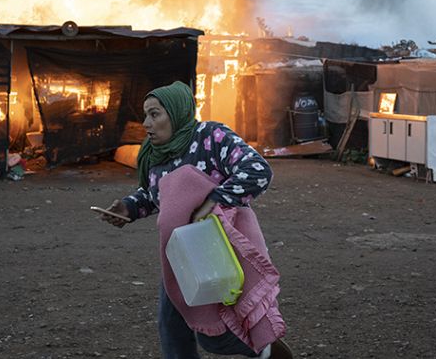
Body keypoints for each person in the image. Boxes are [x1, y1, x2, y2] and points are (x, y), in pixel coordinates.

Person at [98, 80, 292, 359]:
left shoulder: (209, 136)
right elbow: (156, 196)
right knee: (172, 328)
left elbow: (258, 169)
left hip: (221, 251)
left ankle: (267, 350)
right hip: (180, 253)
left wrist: (214, 200)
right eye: (145, 115)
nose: (146, 123)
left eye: (155, 114)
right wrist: (128, 208)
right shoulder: (156, 156)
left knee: (214, 337)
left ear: (176, 113)